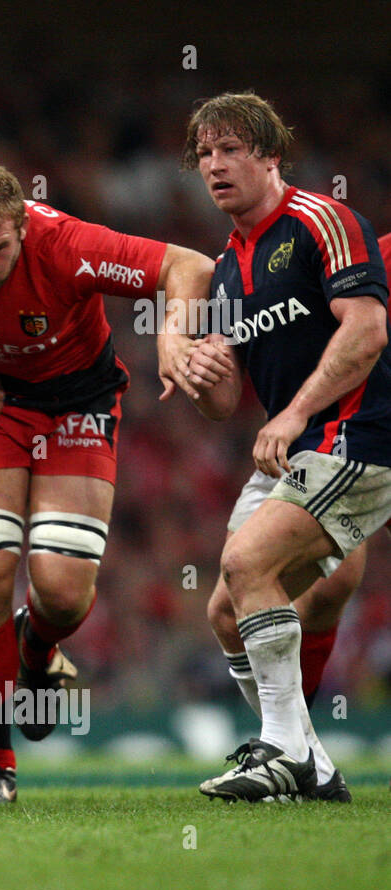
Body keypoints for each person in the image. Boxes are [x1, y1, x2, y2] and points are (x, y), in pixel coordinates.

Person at [0, 164, 214, 802]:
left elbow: (189, 266)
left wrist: (172, 331)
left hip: (77, 407)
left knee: (61, 595)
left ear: (23, 230)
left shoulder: (67, 246)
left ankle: (34, 650)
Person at [172, 92, 390, 802]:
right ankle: (310, 762)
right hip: (304, 444)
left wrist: (294, 413)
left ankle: (284, 751)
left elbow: (366, 330)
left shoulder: (322, 220)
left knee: (245, 560)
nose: (214, 165)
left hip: (360, 429)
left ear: (270, 155)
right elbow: (226, 402)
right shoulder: (227, 269)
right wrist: (204, 374)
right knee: (226, 610)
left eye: (231, 148)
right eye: (205, 153)